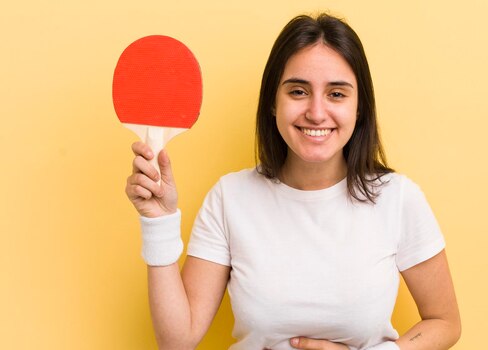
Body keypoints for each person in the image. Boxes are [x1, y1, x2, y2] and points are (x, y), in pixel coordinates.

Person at [126, 13, 461, 350]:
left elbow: (444, 323)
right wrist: (159, 221)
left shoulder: (397, 198)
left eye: (337, 94)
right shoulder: (230, 198)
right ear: (273, 102)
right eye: (298, 91)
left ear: (359, 107)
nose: (316, 113)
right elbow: (177, 342)